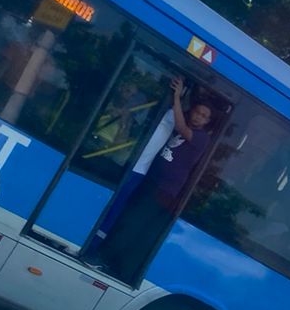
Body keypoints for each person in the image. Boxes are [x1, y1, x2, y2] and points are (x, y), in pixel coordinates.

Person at [88, 76, 215, 284]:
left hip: (162, 192)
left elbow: (182, 127)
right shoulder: (179, 120)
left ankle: (103, 259)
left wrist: (176, 97)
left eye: (204, 116)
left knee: (130, 223)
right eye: (197, 112)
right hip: (150, 181)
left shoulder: (201, 137)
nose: (199, 117)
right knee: (123, 215)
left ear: (207, 122)